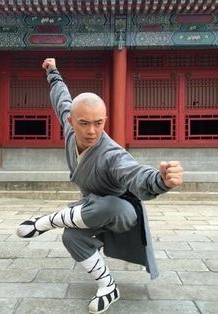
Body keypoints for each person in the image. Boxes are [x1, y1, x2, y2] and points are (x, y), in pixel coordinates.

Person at [16, 58, 183, 314]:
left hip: (120, 215)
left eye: (99, 123)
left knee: (115, 206)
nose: (92, 131)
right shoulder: (70, 131)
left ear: (105, 120)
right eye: (84, 123)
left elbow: (136, 173)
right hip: (88, 213)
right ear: (71, 121)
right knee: (71, 236)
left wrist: (160, 180)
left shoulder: (111, 154)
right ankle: (108, 286)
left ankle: (45, 222)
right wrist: (53, 72)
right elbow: (61, 99)